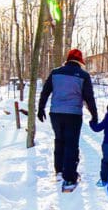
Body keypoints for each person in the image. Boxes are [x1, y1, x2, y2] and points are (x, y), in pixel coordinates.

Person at [38, 48, 98, 192]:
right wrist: (94, 115)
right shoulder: (83, 75)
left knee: (59, 140)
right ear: (80, 61)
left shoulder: (55, 73)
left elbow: (45, 91)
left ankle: (59, 170)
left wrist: (41, 108)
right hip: (73, 114)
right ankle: (69, 177)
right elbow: (89, 97)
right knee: (71, 143)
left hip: (56, 113)